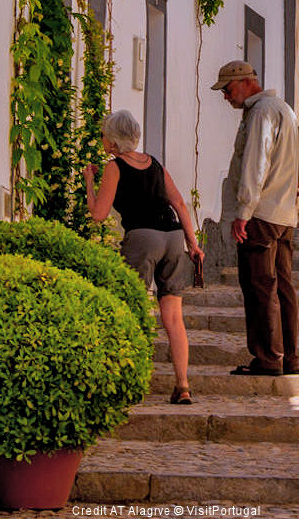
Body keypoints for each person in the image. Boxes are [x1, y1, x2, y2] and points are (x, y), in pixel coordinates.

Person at [83, 109, 205, 405]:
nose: (102, 141)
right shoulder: (155, 163)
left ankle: (131, 383)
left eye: (103, 136)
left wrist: (89, 181)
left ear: (112, 142)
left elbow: (98, 214)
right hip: (173, 236)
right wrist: (193, 243)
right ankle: (183, 385)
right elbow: (179, 203)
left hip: (142, 237)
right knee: (174, 316)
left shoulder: (115, 167)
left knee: (134, 309)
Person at [211, 60, 299, 377]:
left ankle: (267, 358)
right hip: (284, 213)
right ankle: (289, 357)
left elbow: (255, 163)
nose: (225, 96)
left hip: (262, 214)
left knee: (260, 286)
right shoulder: (284, 109)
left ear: (244, 82)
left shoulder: (261, 112)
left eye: (226, 89)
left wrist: (243, 212)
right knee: (283, 288)